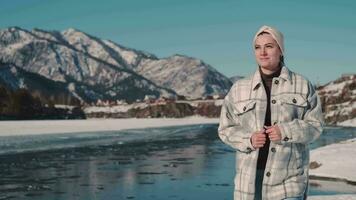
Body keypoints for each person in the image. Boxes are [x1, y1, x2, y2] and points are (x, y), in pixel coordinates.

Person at [218, 25, 324, 200]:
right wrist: (249, 139)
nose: (263, 52)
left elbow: (316, 126)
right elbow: (225, 128)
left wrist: (285, 131)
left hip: (288, 183)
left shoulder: (302, 84)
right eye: (258, 47)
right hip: (248, 185)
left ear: (280, 50)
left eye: (269, 46)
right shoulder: (239, 89)